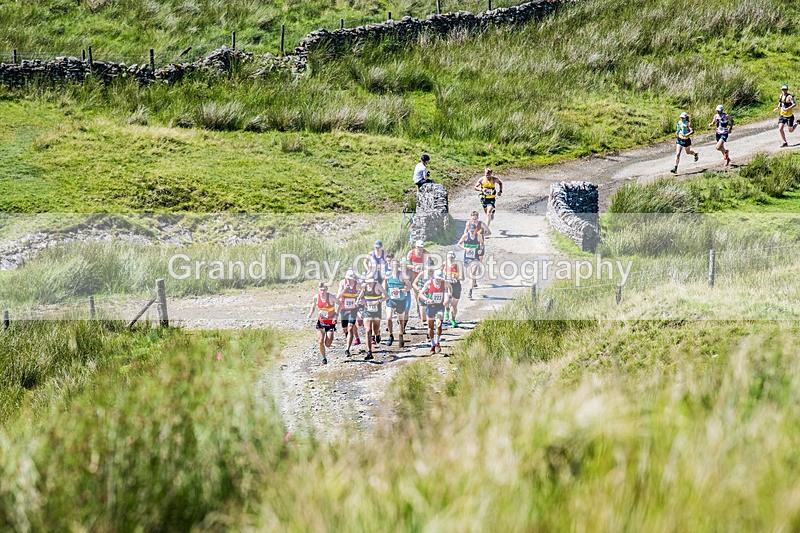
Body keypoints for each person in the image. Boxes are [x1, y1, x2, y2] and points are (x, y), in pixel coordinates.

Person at [307, 282, 339, 365]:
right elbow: (313, 305)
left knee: (328, 344)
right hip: (321, 321)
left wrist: (336, 315)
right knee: (320, 341)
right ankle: (324, 358)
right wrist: (310, 313)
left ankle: (329, 338)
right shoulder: (316, 297)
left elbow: (340, 304)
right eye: (321, 290)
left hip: (330, 322)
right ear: (319, 290)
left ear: (327, 290)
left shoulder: (331, 297)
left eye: (324, 290)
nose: (322, 292)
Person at [419, 270, 449, 354]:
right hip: (431, 306)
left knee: (439, 324)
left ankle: (437, 342)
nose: (438, 280)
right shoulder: (429, 283)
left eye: (440, 279)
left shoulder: (444, 283)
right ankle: (432, 344)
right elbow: (420, 294)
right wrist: (427, 299)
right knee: (430, 328)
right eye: (437, 279)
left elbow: (450, 288)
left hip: (440, 306)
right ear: (434, 277)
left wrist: (447, 298)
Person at [385, 258, 412, 348]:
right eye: (393, 266)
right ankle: (390, 335)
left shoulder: (402, 275)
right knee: (388, 318)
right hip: (391, 299)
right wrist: (385, 293)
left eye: (396, 265)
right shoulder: (388, 274)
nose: (395, 267)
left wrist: (401, 290)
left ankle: (400, 335)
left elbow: (409, 287)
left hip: (401, 300)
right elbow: (384, 284)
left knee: (401, 321)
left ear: (399, 266)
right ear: (391, 266)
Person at [357, 276, 387, 361]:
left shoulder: (378, 286)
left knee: (376, 329)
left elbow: (386, 296)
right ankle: (369, 352)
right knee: (367, 330)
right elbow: (361, 296)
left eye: (370, 281)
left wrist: (378, 301)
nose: (369, 283)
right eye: (368, 282)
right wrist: (359, 301)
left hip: (377, 311)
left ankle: (377, 334)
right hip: (367, 311)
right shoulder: (364, 286)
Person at [336, 270, 361, 357]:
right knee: (345, 329)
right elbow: (338, 296)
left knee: (350, 327)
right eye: (348, 279)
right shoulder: (343, 283)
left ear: (354, 279)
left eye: (351, 279)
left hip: (353, 309)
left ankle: (347, 349)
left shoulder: (357, 284)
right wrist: (344, 289)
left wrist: (360, 302)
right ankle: (355, 337)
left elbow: (362, 294)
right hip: (344, 309)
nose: (350, 281)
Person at [458, 223, 484, 299]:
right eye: (470, 231)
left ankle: (470, 291)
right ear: (469, 230)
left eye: (473, 231)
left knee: (472, 273)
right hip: (467, 258)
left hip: (475, 257)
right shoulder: (465, 236)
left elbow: (482, 244)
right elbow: (458, 244)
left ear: (476, 230)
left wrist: (480, 250)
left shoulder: (479, 236)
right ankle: (474, 281)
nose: (472, 232)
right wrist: (465, 249)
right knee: (470, 274)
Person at [407, 240, 428, 317]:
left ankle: (423, 308)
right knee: (416, 292)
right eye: (418, 247)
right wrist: (414, 267)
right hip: (413, 275)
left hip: (423, 276)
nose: (420, 249)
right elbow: (406, 264)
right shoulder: (411, 253)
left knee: (423, 291)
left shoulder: (426, 253)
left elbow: (430, 265)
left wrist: (423, 267)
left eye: (421, 247)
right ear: (416, 247)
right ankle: (418, 306)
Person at [413, 257, 437, 327]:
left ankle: (429, 334)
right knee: (423, 319)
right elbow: (414, 283)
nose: (430, 269)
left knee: (430, 318)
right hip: (423, 296)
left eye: (431, 267)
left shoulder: (435, 274)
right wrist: (419, 289)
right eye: (428, 267)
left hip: (432, 296)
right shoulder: (422, 274)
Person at [443, 250, 461, 328]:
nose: (450, 259)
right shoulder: (444, 264)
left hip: (456, 285)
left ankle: (453, 319)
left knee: (454, 305)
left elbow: (460, 275)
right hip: (448, 284)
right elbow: (442, 272)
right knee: (446, 301)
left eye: (452, 257)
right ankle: (447, 309)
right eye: (449, 258)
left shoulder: (457, 265)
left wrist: (456, 276)